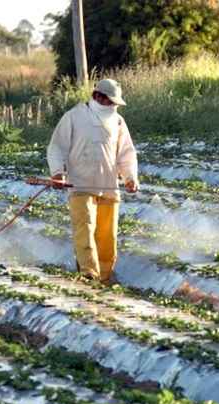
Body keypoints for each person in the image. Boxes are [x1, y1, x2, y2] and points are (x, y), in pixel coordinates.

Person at [47, 79, 139, 285]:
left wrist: (130, 178)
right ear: (97, 97)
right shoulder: (73, 117)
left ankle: (105, 277)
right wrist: (57, 172)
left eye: (115, 103)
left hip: (109, 187)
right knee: (85, 230)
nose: (113, 106)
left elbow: (126, 154)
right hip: (80, 186)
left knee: (108, 237)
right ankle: (89, 275)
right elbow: (56, 147)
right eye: (110, 102)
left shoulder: (118, 122)